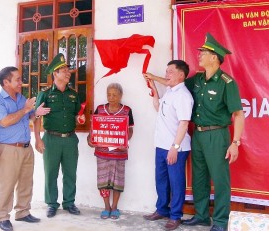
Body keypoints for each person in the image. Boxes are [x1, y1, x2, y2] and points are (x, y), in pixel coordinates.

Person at [180, 33, 245, 231]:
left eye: (204, 52)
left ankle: (220, 221)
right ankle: (201, 216)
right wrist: (155, 79)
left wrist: (235, 142)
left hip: (217, 135)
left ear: (214, 57)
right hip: (198, 135)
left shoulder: (227, 82)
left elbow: (239, 115)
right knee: (199, 177)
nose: (199, 55)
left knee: (220, 178)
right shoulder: (197, 80)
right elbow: (176, 85)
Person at [0, 66, 50, 231]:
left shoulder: (21, 98)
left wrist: (35, 112)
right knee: (6, 184)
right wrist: (26, 109)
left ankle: (23, 212)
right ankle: (2, 217)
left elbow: (29, 117)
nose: (21, 83)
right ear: (6, 82)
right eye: (17, 79)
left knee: (26, 182)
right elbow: (5, 121)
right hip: (9, 149)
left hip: (26, 147)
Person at [142, 60, 193, 230]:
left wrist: (175, 147)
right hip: (161, 146)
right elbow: (159, 108)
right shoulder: (170, 92)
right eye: (166, 71)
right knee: (161, 180)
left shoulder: (183, 96)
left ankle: (176, 215)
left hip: (175, 148)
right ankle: (162, 209)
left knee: (176, 182)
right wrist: (154, 89)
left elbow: (184, 123)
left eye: (170, 71)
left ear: (181, 75)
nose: (166, 75)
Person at [34, 53, 86, 218]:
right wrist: (37, 139)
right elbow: (36, 117)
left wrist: (79, 117)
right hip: (51, 139)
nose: (67, 72)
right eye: (63, 69)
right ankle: (52, 204)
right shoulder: (46, 93)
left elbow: (77, 113)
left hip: (70, 139)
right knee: (51, 173)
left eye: (67, 69)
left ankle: (69, 203)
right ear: (55, 74)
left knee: (70, 172)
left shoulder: (73, 94)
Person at [87, 83, 134, 220]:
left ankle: (114, 207)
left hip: (119, 152)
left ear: (121, 96)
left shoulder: (127, 110)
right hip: (102, 152)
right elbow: (94, 128)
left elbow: (130, 130)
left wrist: (124, 140)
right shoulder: (100, 109)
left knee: (117, 181)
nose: (111, 97)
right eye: (109, 94)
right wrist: (90, 139)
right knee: (103, 181)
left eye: (114, 95)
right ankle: (106, 207)